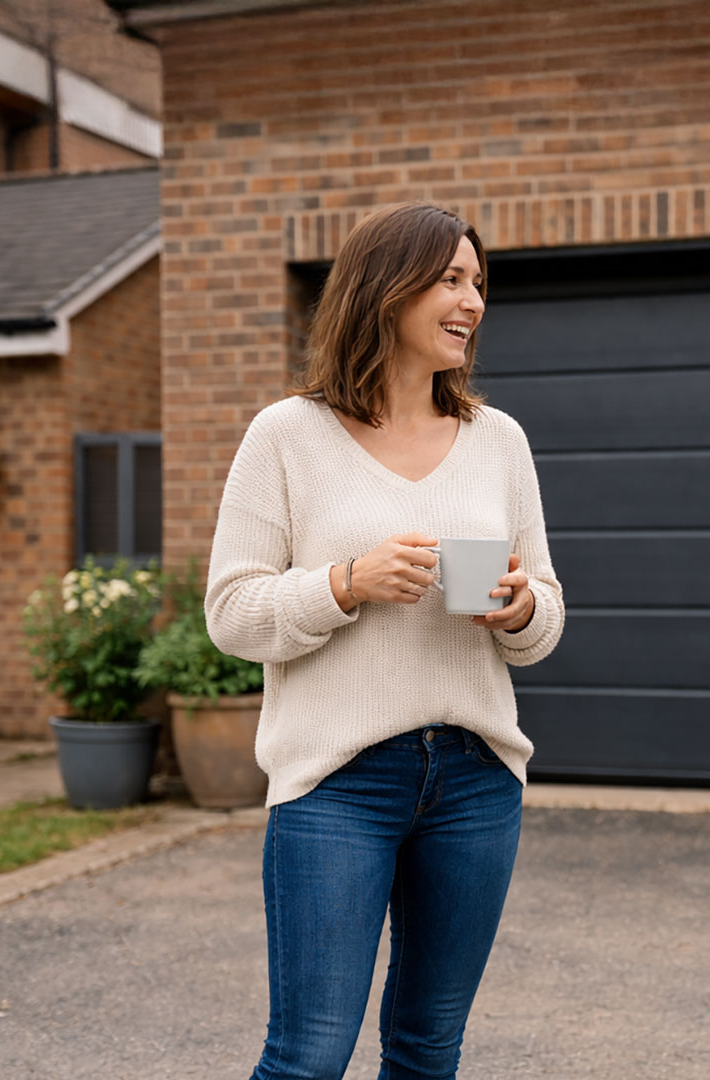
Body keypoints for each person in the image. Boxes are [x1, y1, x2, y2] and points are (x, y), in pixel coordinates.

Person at [205, 201, 564, 1080]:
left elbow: (547, 609)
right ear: (384, 287)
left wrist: (517, 610)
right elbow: (231, 613)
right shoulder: (287, 435)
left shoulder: (499, 440)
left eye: (477, 282)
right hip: (337, 781)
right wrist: (344, 584)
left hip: (477, 776)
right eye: (450, 279)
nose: (472, 301)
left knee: (428, 1047)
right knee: (309, 1054)